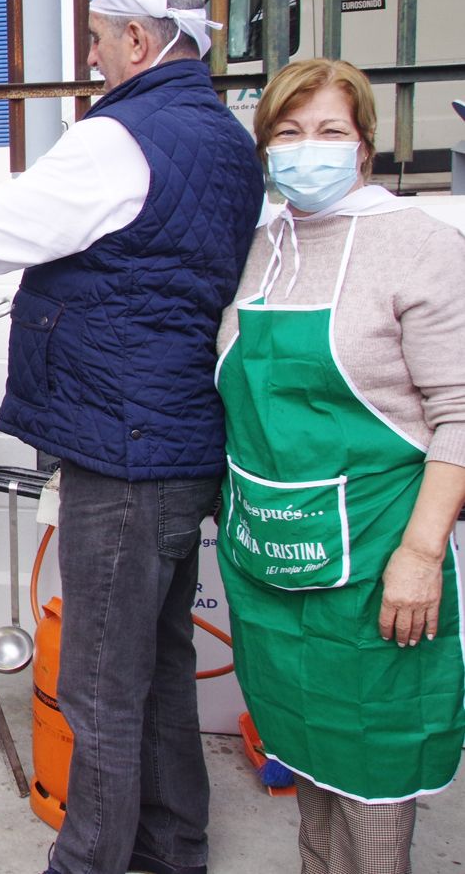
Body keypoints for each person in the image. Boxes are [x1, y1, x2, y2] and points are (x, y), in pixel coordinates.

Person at [0, 0, 263, 874]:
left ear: (139, 39)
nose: (93, 58)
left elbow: (3, 222)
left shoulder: (122, 137)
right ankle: (174, 846)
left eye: (99, 41)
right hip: (181, 444)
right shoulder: (223, 135)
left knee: (99, 681)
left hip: (124, 446)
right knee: (160, 664)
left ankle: (89, 858)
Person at [215, 58, 465, 874]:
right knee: (306, 748)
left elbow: (459, 414)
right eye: (288, 133)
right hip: (269, 567)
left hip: (377, 567)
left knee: (375, 758)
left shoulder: (419, 245)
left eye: (329, 131)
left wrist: (422, 556)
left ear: (364, 146)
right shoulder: (256, 250)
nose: (306, 149)